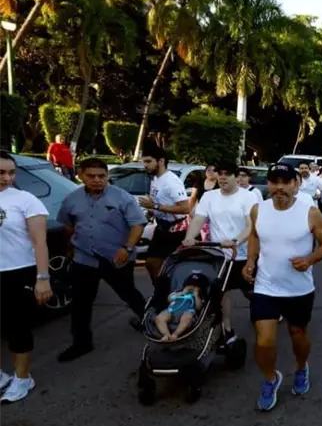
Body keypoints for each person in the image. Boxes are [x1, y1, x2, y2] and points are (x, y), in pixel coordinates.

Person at [244, 163, 322, 412]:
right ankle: (271, 378)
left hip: (298, 290)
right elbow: (255, 236)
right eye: (274, 182)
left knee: (298, 335)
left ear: (296, 184)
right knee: (264, 340)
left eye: (285, 182)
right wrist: (250, 261)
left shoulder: (310, 212)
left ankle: (301, 367)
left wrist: (309, 260)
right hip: (266, 286)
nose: (279, 188)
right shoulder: (257, 209)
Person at [56, 157, 148, 362]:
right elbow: (68, 225)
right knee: (80, 303)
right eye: (91, 176)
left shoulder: (122, 197)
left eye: (102, 176)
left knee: (129, 294)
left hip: (116, 257)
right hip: (84, 258)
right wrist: (70, 248)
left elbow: (137, 225)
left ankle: (151, 324)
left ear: (107, 176)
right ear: (80, 175)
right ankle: (81, 343)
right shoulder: (72, 199)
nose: (97, 180)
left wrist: (127, 248)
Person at [183, 163, 259, 343]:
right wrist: (189, 238)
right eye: (220, 174)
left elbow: (251, 225)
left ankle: (268, 307)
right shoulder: (209, 197)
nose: (223, 178)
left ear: (235, 177)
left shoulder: (248, 197)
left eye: (227, 174)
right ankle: (226, 328)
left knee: (251, 292)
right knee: (222, 291)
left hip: (242, 253)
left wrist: (236, 241)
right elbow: (198, 220)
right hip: (219, 255)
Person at [0, 151, 52, 403]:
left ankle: (22, 378)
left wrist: (43, 278)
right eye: (1, 173)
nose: (7, 178)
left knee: (17, 326)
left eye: (11, 172)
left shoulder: (25, 200)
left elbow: (40, 242)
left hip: (18, 271)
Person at [139, 146, 190, 282]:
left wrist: (155, 206)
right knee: (151, 263)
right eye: (144, 162)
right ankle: (162, 293)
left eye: (148, 161)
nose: (145, 165)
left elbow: (185, 208)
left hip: (175, 230)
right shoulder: (155, 179)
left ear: (161, 161)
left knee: (161, 264)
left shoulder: (171, 181)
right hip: (161, 227)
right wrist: (152, 211)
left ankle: (167, 293)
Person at [155, 274, 206, 342]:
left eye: (195, 286)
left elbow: (199, 307)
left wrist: (196, 295)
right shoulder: (179, 291)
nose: (192, 287)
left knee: (187, 317)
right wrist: (181, 293)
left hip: (187, 311)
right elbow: (169, 299)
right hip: (172, 311)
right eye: (189, 285)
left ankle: (176, 334)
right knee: (160, 318)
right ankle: (166, 334)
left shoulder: (199, 297)